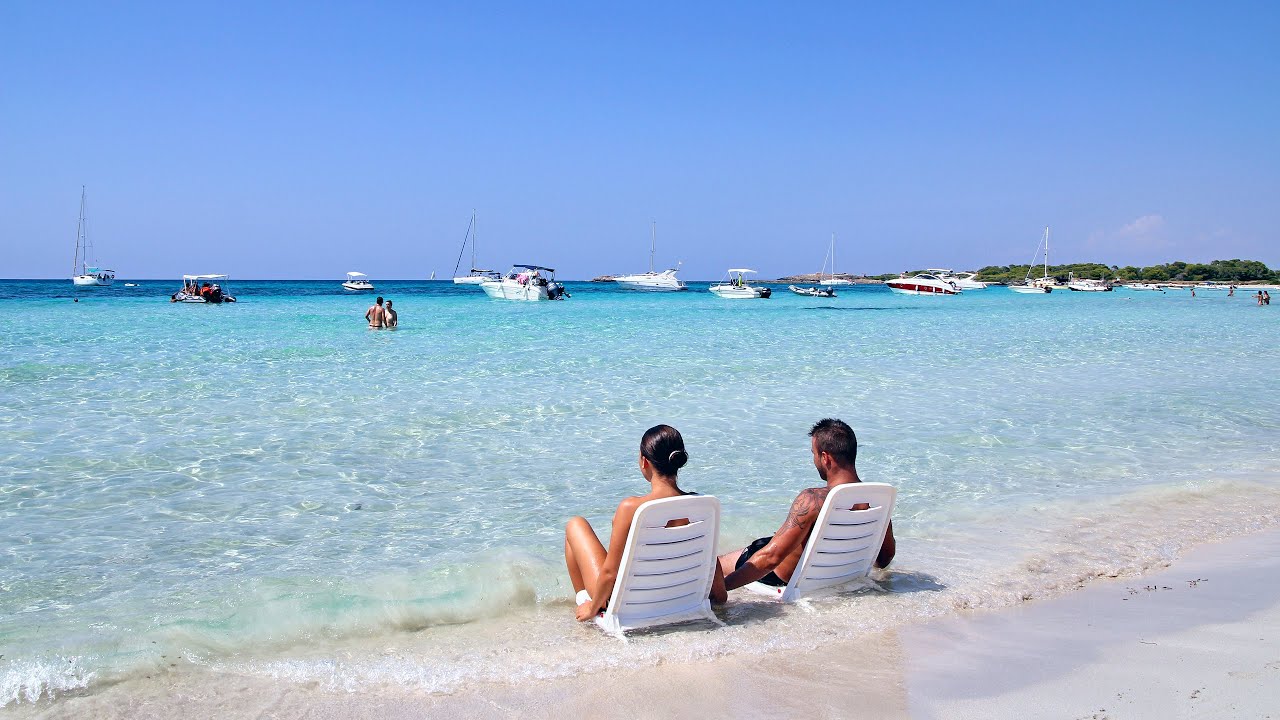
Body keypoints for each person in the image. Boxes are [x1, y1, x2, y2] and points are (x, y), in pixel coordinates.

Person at [564, 425, 727, 621]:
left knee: (576, 525)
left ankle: (588, 604)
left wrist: (592, 609)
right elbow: (715, 579)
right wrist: (719, 597)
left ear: (644, 462)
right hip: (680, 598)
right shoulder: (702, 505)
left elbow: (610, 572)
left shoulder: (631, 507)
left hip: (629, 604)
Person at [719, 418, 895, 592]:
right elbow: (885, 558)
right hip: (840, 574)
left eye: (814, 453)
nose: (814, 460)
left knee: (717, 565)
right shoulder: (877, 499)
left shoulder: (812, 499)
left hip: (779, 576)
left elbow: (771, 558)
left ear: (825, 458)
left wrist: (720, 590)